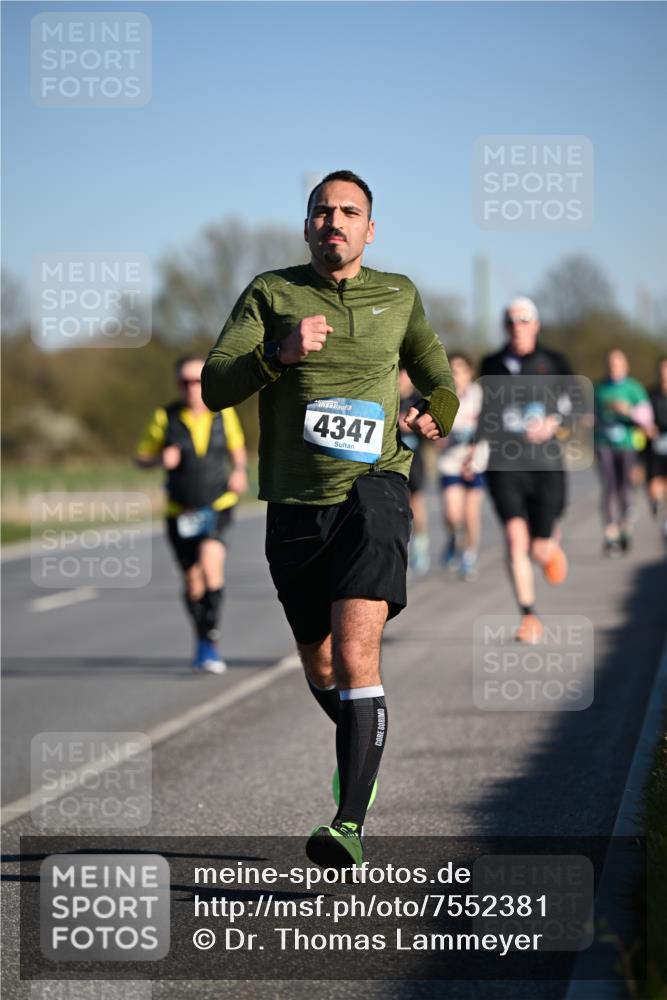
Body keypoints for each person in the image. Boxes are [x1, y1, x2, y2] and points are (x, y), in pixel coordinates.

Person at [201, 170, 459, 867]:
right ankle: (361, 751)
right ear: (306, 225)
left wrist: (437, 411)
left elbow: (438, 375)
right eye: (321, 211)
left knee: (355, 655)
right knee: (321, 665)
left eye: (348, 212)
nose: (333, 222)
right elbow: (215, 384)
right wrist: (276, 354)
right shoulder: (269, 292)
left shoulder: (398, 295)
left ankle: (347, 823)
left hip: (372, 494)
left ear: (369, 229)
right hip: (293, 509)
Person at [136, 356, 248, 672]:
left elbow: (237, 449)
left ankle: (211, 635)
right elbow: (140, 458)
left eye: (197, 381)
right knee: (192, 579)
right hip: (180, 510)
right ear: (177, 385)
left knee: (211, 567)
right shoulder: (165, 417)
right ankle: (203, 639)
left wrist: (240, 470)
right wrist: (160, 459)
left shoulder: (223, 412)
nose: (191, 388)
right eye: (184, 382)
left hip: (218, 503)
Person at [474, 297, 573, 644]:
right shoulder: (491, 363)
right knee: (515, 538)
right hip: (505, 463)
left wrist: (554, 423)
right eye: (511, 320)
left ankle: (548, 550)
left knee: (538, 549)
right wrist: (474, 449)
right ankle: (529, 616)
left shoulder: (554, 362)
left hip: (546, 464)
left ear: (536, 324)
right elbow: (486, 410)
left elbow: (576, 405)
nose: (518, 325)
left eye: (524, 319)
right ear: (505, 326)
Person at [593, 349, 652, 556]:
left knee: (625, 487)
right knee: (609, 487)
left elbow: (647, 419)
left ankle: (626, 527)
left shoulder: (634, 388)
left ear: (625, 366)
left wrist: (627, 410)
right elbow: (593, 416)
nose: (613, 368)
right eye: (610, 364)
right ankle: (611, 535)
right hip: (604, 443)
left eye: (617, 364)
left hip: (628, 443)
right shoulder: (599, 389)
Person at [436, 352, 488, 581]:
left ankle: (469, 555)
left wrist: (473, 454)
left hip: (475, 462)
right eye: (451, 371)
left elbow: (489, 427)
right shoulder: (443, 398)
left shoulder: (480, 395)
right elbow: (435, 432)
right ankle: (453, 538)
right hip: (450, 462)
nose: (454, 376)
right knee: (452, 512)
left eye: (458, 371)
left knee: (470, 513)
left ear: (469, 372)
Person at [398, 369, 430, 574]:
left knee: (416, 503)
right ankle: (402, 549)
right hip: (393, 460)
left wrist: (414, 425)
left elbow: (431, 431)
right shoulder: (389, 396)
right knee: (398, 506)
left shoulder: (418, 400)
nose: (402, 380)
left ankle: (421, 544)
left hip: (415, 459)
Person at [646, 357, 667, 542]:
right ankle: (657, 506)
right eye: (662, 370)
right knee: (654, 486)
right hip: (655, 447)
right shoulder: (650, 395)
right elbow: (643, 418)